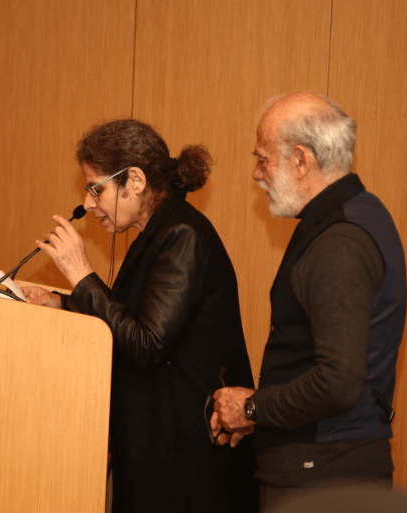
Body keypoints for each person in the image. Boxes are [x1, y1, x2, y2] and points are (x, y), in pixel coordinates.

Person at [21, 119, 257, 513]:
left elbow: (146, 344)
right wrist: (59, 303)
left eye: (96, 189)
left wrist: (81, 275)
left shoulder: (183, 235)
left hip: (185, 465)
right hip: (159, 452)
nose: (88, 204)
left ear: (134, 180)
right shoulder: (155, 235)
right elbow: (128, 319)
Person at [211, 92, 407, 511]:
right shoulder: (359, 213)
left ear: (301, 160)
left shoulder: (340, 240)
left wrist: (252, 408)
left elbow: (337, 382)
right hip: (325, 466)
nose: (256, 174)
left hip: (322, 478)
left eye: (263, 159)